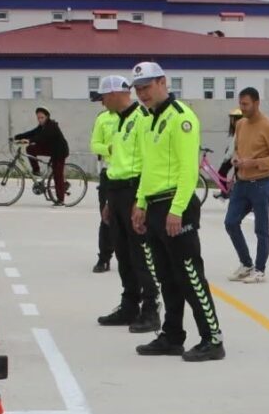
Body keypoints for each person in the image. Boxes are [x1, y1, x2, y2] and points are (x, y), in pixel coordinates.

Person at [129, 62, 225, 361]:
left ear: (162, 82)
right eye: (138, 89)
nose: (142, 94)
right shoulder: (147, 120)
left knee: (190, 277)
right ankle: (172, 336)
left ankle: (212, 338)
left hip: (176, 206)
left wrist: (177, 210)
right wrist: (141, 202)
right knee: (166, 277)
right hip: (155, 205)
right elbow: (149, 167)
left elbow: (188, 170)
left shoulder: (181, 119)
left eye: (146, 87)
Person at [95, 74, 160, 333]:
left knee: (140, 254)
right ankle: (129, 304)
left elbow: (148, 162)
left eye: (103, 96)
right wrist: (110, 199)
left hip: (134, 190)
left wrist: (140, 201)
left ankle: (151, 309)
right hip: (117, 189)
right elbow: (118, 163)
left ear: (114, 94)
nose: (102, 102)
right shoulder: (120, 122)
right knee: (123, 253)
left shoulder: (142, 119)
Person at [225, 87, 269, 284]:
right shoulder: (241, 124)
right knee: (231, 222)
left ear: (257, 103)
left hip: (261, 184)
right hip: (241, 183)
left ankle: (260, 270)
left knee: (261, 229)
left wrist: (255, 163)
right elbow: (237, 149)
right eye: (240, 104)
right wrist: (236, 159)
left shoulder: (268, 126)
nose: (242, 108)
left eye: (246, 104)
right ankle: (246, 263)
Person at [14, 106, 70, 206]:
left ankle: (61, 200)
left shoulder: (52, 126)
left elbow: (41, 137)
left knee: (57, 175)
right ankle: (36, 170)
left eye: (42, 118)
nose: (40, 120)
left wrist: (29, 140)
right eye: (38, 118)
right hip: (50, 148)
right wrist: (17, 136)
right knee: (30, 149)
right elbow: (33, 132)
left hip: (59, 151)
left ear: (47, 117)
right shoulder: (42, 126)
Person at [89, 89, 119, 273]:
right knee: (106, 217)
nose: (103, 103)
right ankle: (104, 257)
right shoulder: (102, 118)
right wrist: (109, 148)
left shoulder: (137, 116)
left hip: (131, 173)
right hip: (109, 172)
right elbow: (94, 145)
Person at [216, 107, 242, 198]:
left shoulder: (240, 129)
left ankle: (225, 192)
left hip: (237, 156)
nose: (231, 121)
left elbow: (232, 148)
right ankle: (226, 191)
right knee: (237, 176)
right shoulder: (240, 128)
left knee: (222, 172)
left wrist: (225, 158)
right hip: (236, 156)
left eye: (233, 119)